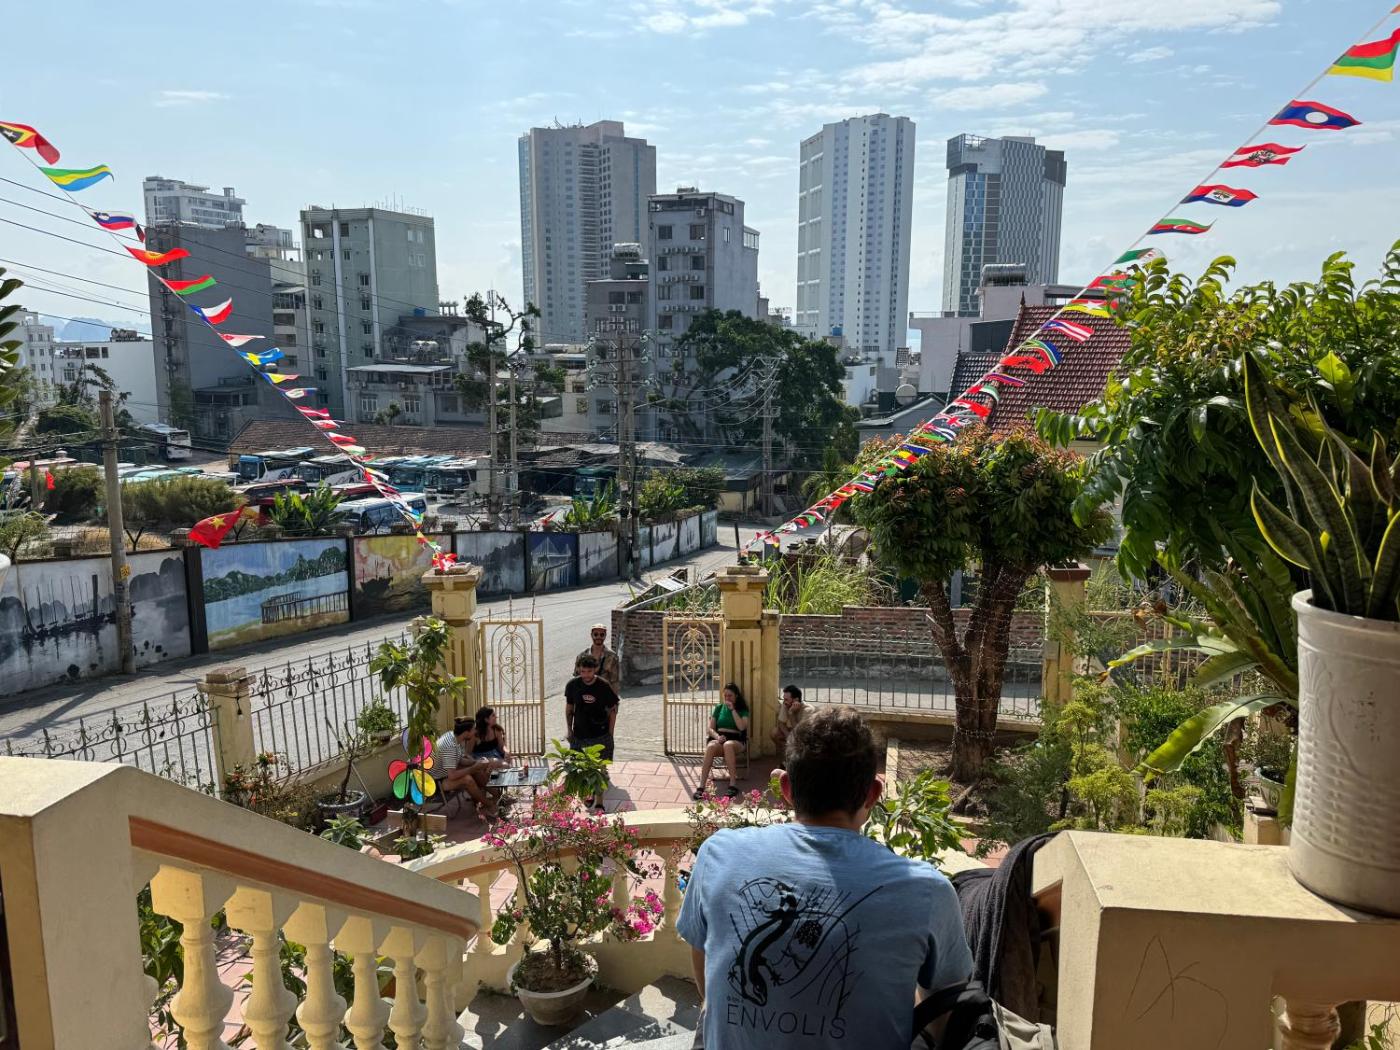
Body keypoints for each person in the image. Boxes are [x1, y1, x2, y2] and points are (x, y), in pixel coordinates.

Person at [677, 706, 973, 1050]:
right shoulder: (926, 891)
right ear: (873, 794)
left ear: (785, 787)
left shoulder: (718, 854)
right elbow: (945, 1009)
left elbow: (705, 970)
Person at [434, 717, 503, 819]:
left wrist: (476, 763)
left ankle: (499, 796)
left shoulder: (454, 736)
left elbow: (460, 759)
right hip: (436, 782)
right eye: (473, 729)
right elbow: (452, 775)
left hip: (446, 772)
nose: (475, 732)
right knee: (467, 779)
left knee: (476, 769)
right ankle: (490, 806)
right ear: (466, 732)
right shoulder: (450, 746)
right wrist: (473, 767)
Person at [693, 683, 749, 800]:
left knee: (728, 745)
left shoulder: (742, 709)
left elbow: (742, 727)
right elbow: (710, 729)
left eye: (730, 696)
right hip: (720, 738)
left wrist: (732, 710)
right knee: (711, 746)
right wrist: (717, 737)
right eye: (725, 696)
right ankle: (701, 786)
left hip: (736, 740)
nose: (727, 698)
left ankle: (732, 784)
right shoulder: (719, 708)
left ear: (736, 696)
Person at [565, 654, 620, 761]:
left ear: (595, 669)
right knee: (578, 768)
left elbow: (613, 710)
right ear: (578, 669)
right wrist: (569, 730)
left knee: (601, 768)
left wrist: (610, 734)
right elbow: (569, 709)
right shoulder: (572, 685)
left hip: (601, 736)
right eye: (583, 671)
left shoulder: (604, 685)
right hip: (579, 736)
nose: (586, 675)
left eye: (589, 671)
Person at [574, 622, 620, 687]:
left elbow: (615, 681)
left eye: (602, 635)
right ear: (591, 635)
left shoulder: (612, 657)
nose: (598, 637)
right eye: (595, 634)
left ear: (605, 636)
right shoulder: (582, 656)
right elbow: (576, 678)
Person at [770, 683, 806, 754]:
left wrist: (791, 714)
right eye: (784, 699)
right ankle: (788, 755)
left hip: (803, 735)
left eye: (786, 699)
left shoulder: (807, 710)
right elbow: (781, 723)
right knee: (774, 733)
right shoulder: (786, 704)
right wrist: (787, 735)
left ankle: (799, 756)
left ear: (796, 700)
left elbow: (799, 732)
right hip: (793, 732)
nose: (784, 702)